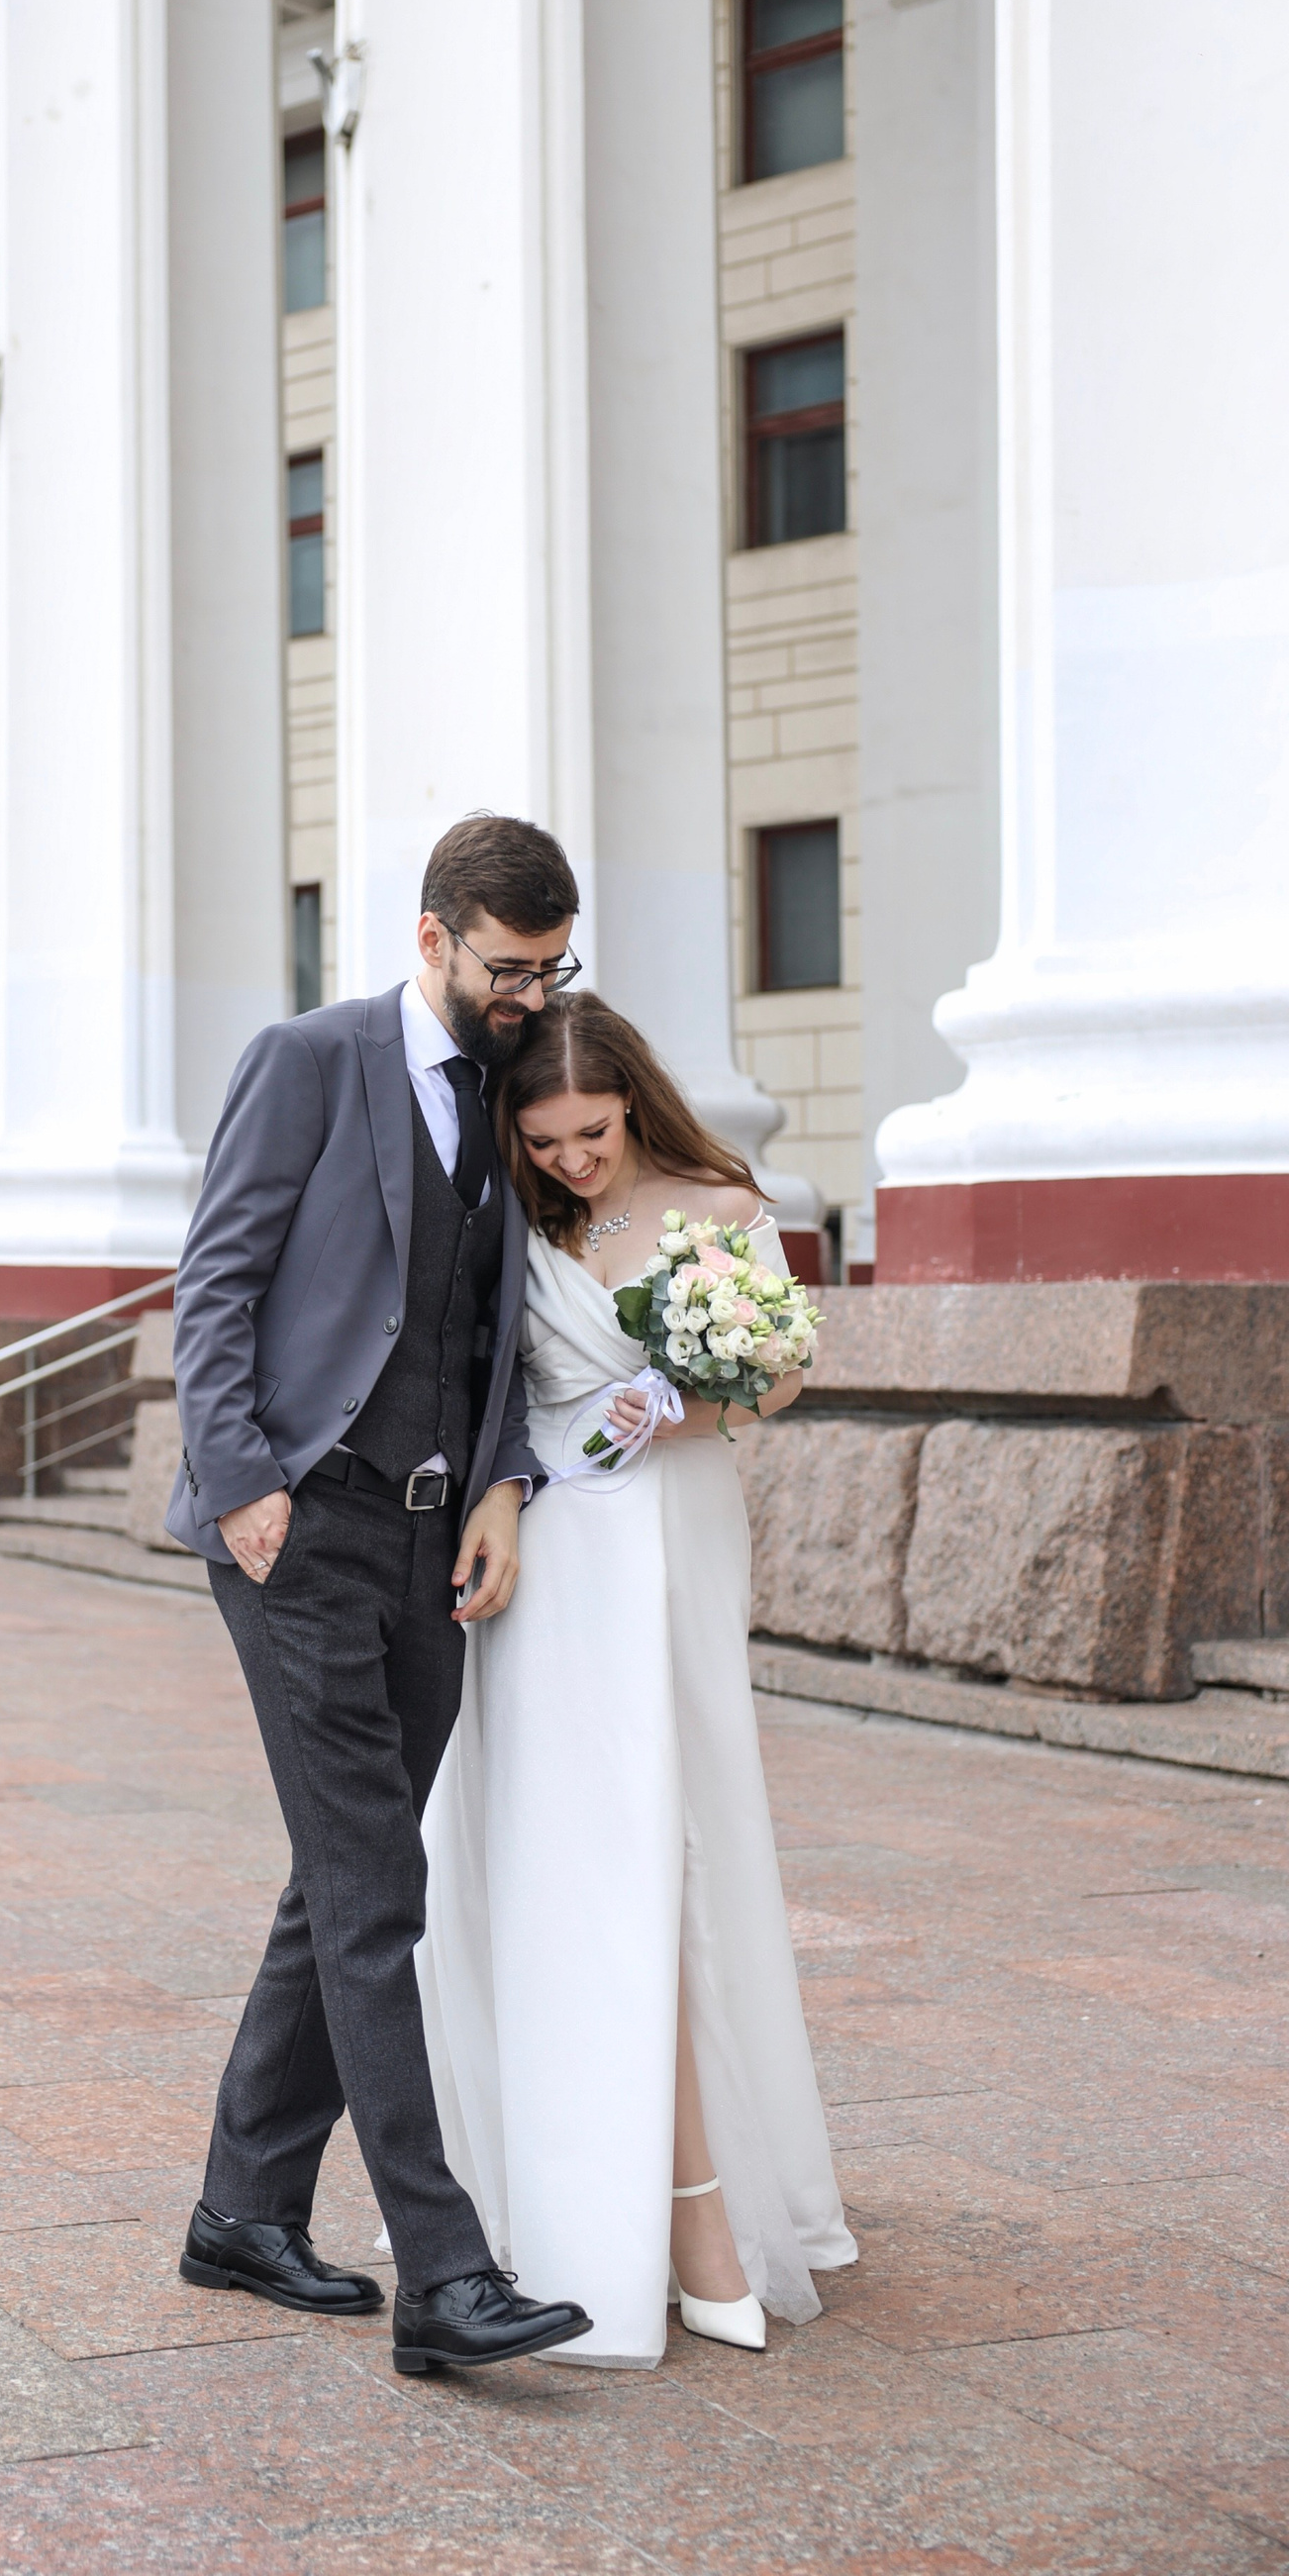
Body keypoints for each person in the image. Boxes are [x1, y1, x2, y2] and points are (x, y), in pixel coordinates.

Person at [165, 815, 594, 2374]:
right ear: (432, 938)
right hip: (296, 1532)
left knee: (342, 1881)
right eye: (508, 969)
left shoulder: (510, 1095)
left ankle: (243, 2211)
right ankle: (446, 2275)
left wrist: (502, 1481)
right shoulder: (308, 1061)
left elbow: (492, 1334)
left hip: (432, 1546)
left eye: (552, 972)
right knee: (374, 1894)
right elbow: (215, 1281)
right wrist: (242, 1479)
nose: (530, 998)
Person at [416, 990, 857, 2362]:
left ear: (633, 1103)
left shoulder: (720, 1206)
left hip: (673, 1529)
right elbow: (477, 1376)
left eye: (592, 1135)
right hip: (549, 1545)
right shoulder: (515, 1214)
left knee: (680, 1840)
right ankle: (629, 2199)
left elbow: (778, 1380)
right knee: (576, 1858)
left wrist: (691, 1396)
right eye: (543, 1141)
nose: (571, 1162)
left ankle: (700, 2200)